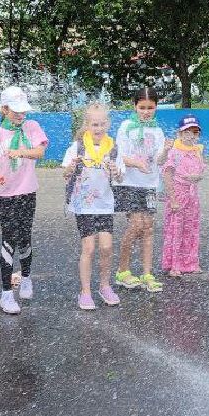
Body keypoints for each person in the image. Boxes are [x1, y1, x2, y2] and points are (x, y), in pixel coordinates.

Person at [0, 85, 48, 314]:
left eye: (23, 111)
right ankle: (6, 293)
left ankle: (26, 277)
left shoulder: (31, 127)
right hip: (6, 196)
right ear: (4, 109)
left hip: (28, 192)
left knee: (24, 238)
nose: (21, 115)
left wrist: (21, 152)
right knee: (8, 239)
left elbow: (40, 152)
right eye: (16, 111)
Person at [62, 103, 122, 311]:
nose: (98, 128)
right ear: (87, 125)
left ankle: (104, 286)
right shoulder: (77, 147)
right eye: (94, 124)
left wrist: (116, 171)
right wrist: (70, 167)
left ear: (108, 124)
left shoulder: (112, 147)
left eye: (102, 124)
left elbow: (120, 176)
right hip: (84, 204)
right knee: (89, 247)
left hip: (105, 203)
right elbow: (65, 173)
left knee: (106, 247)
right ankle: (85, 291)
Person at [114, 87, 167, 293]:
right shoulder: (126, 126)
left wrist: (167, 150)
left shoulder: (158, 131)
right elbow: (119, 156)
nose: (146, 111)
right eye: (142, 107)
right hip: (129, 183)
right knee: (136, 225)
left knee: (148, 228)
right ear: (134, 106)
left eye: (150, 108)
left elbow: (159, 160)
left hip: (149, 185)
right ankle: (122, 271)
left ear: (156, 107)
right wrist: (137, 164)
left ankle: (147, 273)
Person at [161, 114, 205, 277]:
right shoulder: (174, 152)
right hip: (178, 194)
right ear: (180, 133)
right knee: (176, 229)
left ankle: (190, 263)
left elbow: (200, 172)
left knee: (192, 229)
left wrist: (197, 177)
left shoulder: (197, 151)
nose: (191, 135)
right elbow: (167, 175)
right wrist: (172, 199)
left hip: (193, 195)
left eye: (195, 132)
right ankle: (174, 265)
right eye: (187, 131)